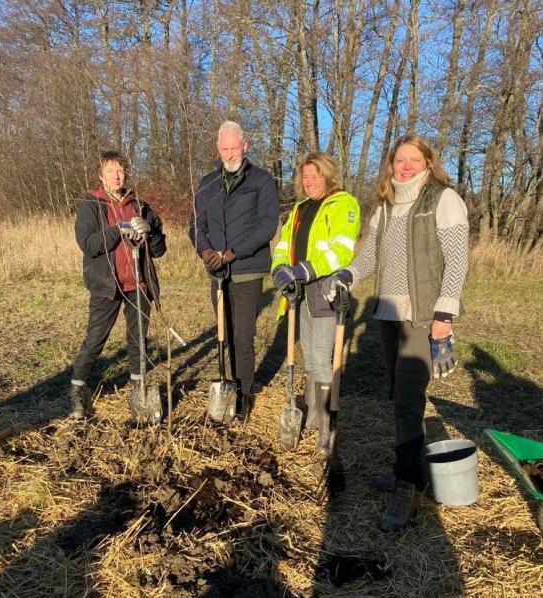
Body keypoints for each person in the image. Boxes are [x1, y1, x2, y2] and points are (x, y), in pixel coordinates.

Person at [325, 134, 469, 531]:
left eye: (413, 159)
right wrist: (347, 275)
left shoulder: (442, 200)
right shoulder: (385, 208)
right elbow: (370, 254)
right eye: (399, 160)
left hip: (422, 318)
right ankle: (411, 470)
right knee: (397, 395)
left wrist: (444, 315)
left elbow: (457, 261)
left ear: (427, 163)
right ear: (390, 165)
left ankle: (406, 487)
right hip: (387, 316)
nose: (405, 166)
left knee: (407, 400)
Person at [188, 121, 280, 420]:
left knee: (242, 337)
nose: (229, 153)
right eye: (224, 148)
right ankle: (227, 386)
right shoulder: (207, 183)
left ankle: (244, 394)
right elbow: (196, 225)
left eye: (234, 147)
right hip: (217, 273)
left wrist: (233, 253)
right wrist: (205, 251)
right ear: (218, 148)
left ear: (245, 145)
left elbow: (267, 225)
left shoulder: (262, 181)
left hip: (247, 271)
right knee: (223, 335)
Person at [271, 152, 361, 453]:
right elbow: (283, 245)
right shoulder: (298, 209)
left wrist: (306, 269)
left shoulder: (343, 205)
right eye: (305, 177)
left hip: (324, 290)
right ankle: (310, 415)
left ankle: (325, 427)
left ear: (327, 176)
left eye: (315, 176)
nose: (309, 182)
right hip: (299, 291)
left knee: (321, 357)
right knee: (308, 355)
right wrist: (281, 269)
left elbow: (341, 250)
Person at [70, 150, 166, 421]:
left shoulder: (141, 206)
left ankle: (139, 389)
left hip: (139, 284)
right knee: (95, 340)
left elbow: (159, 249)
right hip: (106, 286)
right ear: (101, 175)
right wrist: (118, 230)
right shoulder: (91, 206)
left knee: (138, 342)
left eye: (121, 170)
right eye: (111, 171)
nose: (117, 175)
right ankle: (78, 388)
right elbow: (88, 244)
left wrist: (150, 231)